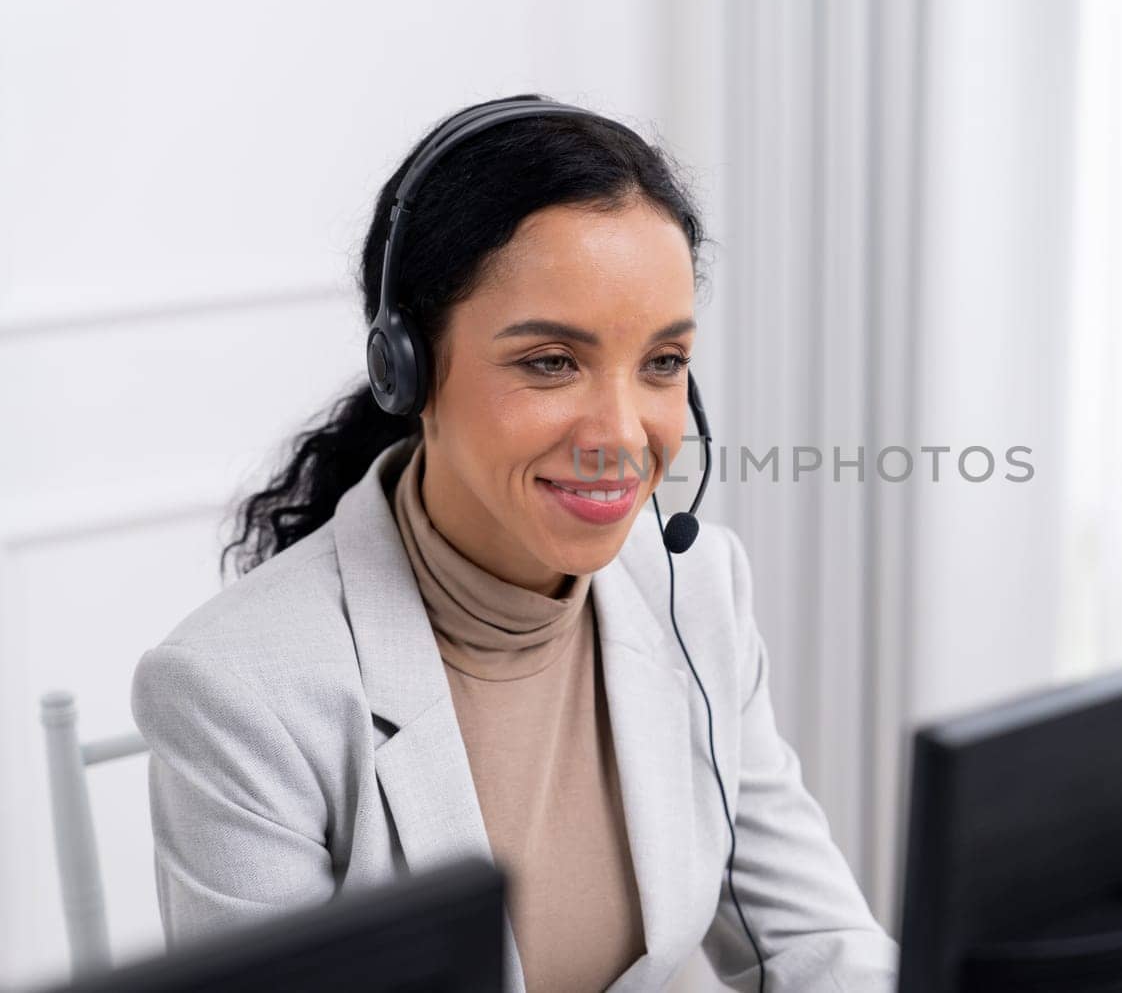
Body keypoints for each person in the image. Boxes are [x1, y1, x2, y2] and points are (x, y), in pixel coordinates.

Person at [130, 94, 898, 993]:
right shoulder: (237, 692)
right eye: (550, 362)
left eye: (661, 363)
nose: (622, 432)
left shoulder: (697, 587)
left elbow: (819, 940)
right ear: (405, 369)